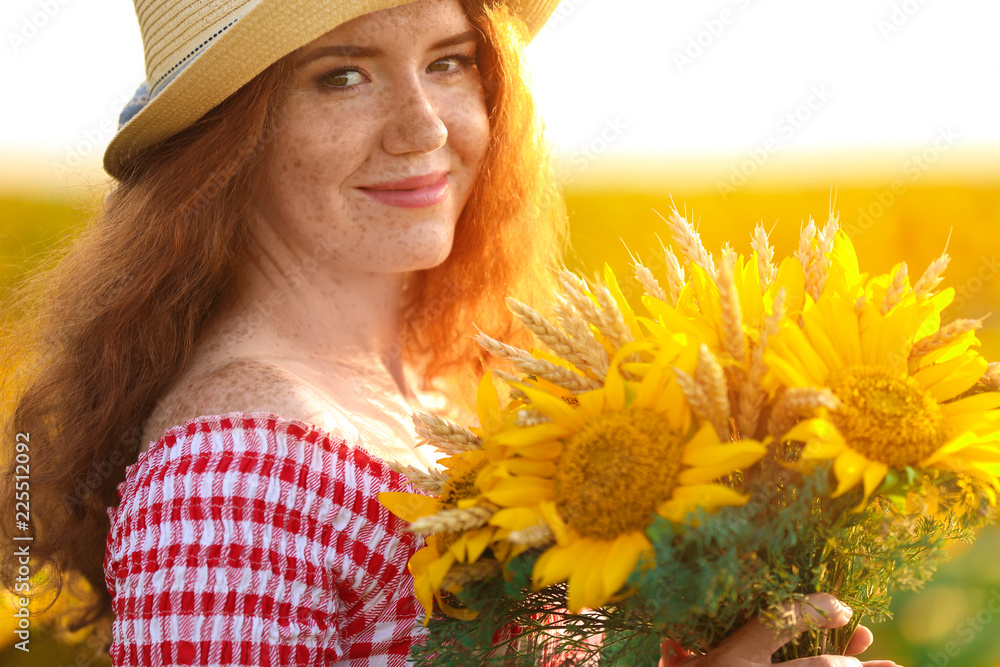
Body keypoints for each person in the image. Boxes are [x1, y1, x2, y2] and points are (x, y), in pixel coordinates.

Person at [0, 0, 899, 664]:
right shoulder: (238, 474)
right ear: (226, 138)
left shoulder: (446, 386)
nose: (423, 126)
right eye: (341, 74)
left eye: (451, 60)